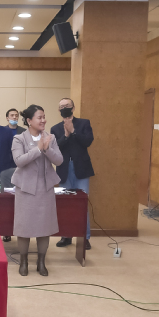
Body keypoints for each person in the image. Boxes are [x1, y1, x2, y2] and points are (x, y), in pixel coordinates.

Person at [11, 104, 63, 277]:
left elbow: (59, 160)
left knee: (44, 227)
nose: (43, 120)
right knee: (24, 227)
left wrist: (47, 149)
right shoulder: (19, 138)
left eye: (44, 117)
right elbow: (19, 160)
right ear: (29, 121)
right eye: (39, 117)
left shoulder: (50, 138)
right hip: (25, 189)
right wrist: (38, 149)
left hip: (45, 188)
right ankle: (24, 261)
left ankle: (41, 262)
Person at [51, 97, 94, 249]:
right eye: (62, 106)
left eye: (67, 105)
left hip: (81, 169)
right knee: (65, 204)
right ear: (59, 110)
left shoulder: (84, 123)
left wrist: (74, 131)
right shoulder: (55, 128)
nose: (65, 108)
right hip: (64, 170)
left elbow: (88, 141)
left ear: (73, 108)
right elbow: (55, 148)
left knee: (82, 204)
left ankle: (84, 237)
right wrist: (66, 135)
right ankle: (66, 236)